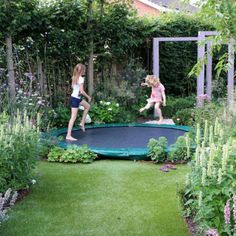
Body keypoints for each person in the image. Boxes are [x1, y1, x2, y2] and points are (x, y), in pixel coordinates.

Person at [66, 63, 91, 141]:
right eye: (84, 70)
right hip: (75, 99)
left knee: (87, 106)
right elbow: (81, 91)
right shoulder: (80, 78)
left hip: (76, 98)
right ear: (82, 70)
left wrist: (80, 93)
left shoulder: (74, 77)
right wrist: (88, 96)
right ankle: (68, 135)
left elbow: (76, 89)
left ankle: (82, 123)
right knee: (73, 117)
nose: (84, 71)